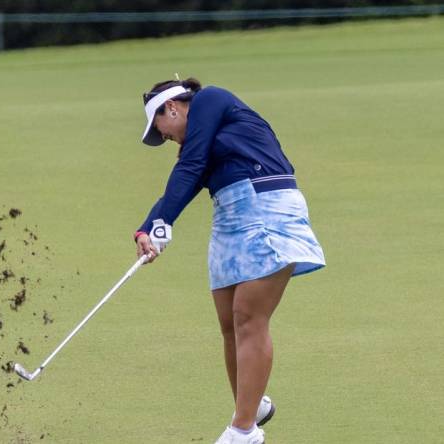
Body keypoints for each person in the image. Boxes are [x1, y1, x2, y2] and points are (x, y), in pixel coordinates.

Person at [134, 77, 325, 444]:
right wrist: (147, 230)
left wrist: (161, 223)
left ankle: (242, 431)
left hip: (268, 206)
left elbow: (189, 167)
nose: (166, 139)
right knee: (228, 323)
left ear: (172, 107)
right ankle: (253, 405)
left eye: (163, 130)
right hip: (229, 217)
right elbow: (185, 181)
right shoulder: (199, 148)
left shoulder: (211, 100)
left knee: (248, 316)